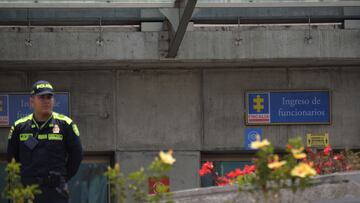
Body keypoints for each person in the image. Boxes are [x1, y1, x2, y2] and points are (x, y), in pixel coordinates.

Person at [7, 80, 83, 203]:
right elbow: (12, 160)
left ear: (53, 100)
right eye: (41, 97)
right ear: (32, 101)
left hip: (55, 191)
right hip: (28, 191)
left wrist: (61, 178)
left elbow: (77, 156)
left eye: (49, 97)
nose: (46, 101)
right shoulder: (19, 127)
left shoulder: (66, 124)